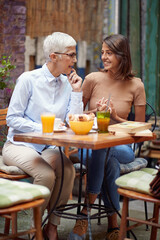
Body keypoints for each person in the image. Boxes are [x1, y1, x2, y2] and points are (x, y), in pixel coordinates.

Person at [2, 32, 83, 240]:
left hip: (47, 148)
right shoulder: (28, 80)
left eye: (75, 55)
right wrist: (42, 128)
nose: (75, 60)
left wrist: (76, 92)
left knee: (67, 170)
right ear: (53, 56)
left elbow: (73, 121)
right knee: (46, 175)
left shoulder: (67, 84)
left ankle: (52, 226)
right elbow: (12, 119)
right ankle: (34, 229)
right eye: (71, 55)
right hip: (18, 146)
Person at [68, 34, 146, 240]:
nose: (103, 57)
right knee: (106, 159)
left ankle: (84, 213)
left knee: (106, 150)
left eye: (109, 53)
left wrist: (115, 117)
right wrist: (95, 111)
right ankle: (113, 226)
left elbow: (140, 129)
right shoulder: (93, 79)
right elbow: (76, 114)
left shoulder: (136, 85)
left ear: (122, 56)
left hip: (123, 148)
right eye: (102, 52)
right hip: (89, 146)